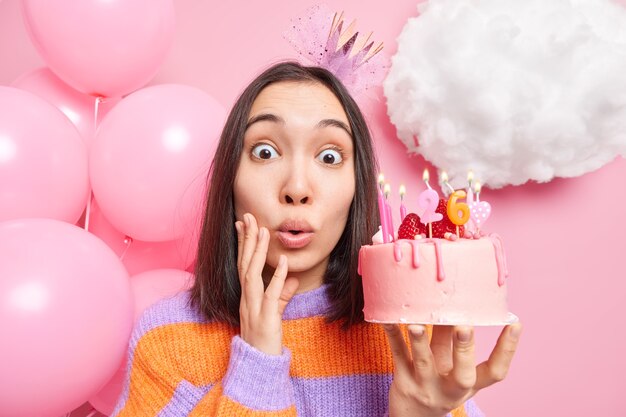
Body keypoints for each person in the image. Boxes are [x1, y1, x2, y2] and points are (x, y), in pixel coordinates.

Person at [111, 61, 522, 417]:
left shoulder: (411, 338)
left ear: (357, 187)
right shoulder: (166, 339)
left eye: (329, 157)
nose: (297, 187)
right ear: (229, 182)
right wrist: (257, 365)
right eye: (265, 152)